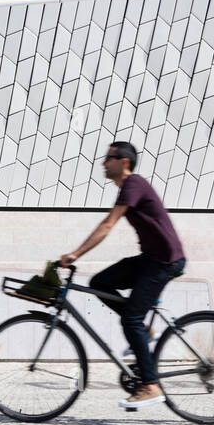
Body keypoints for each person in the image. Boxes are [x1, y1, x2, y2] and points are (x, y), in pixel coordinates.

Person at [59, 142, 186, 409]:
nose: (104, 163)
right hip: (150, 260)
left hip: (165, 262)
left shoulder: (134, 184)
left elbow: (108, 224)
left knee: (131, 318)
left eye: (109, 158)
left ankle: (150, 385)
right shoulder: (127, 188)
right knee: (100, 283)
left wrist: (76, 254)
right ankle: (145, 330)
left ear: (124, 162)